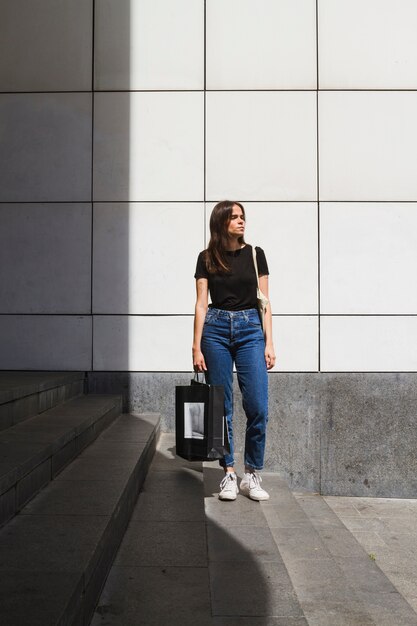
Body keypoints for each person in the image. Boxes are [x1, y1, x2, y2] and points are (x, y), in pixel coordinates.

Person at [192, 200, 276, 501]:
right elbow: (202, 304)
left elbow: (264, 302)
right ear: (221, 223)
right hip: (215, 331)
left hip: (251, 330)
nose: (241, 222)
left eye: (242, 217)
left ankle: (251, 473)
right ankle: (228, 472)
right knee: (220, 406)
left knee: (257, 406)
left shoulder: (255, 254)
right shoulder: (206, 258)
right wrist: (195, 346)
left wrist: (269, 341)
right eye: (234, 218)